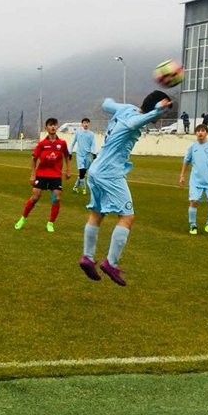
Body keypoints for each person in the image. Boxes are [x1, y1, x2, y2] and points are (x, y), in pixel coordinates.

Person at [79, 91, 172, 286]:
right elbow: (140, 120)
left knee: (97, 214)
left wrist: (112, 101)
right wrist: (156, 112)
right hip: (110, 173)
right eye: (162, 114)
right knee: (127, 217)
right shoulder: (134, 119)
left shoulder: (126, 109)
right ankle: (110, 263)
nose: (162, 117)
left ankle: (87, 258)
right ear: (154, 108)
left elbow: (106, 103)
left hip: (95, 170)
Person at [14, 117, 71, 233]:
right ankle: (23, 219)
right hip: (42, 174)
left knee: (57, 198)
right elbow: (34, 158)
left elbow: (67, 156)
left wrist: (68, 170)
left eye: (54, 125)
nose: (53, 127)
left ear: (57, 127)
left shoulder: (62, 143)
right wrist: (33, 174)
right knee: (35, 197)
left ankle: (50, 223)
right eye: (50, 125)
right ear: (46, 128)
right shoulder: (42, 144)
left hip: (55, 175)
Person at [179, 123, 208, 234]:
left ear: (206, 133)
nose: (200, 133)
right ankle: (193, 225)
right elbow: (186, 161)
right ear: (196, 133)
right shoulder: (192, 147)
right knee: (194, 201)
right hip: (196, 181)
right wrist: (182, 175)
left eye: (203, 130)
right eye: (198, 131)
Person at [68, 117, 96, 194]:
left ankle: (75, 187)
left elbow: (93, 144)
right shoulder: (78, 133)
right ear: (82, 124)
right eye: (84, 123)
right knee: (82, 171)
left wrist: (94, 153)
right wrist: (70, 153)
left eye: (87, 123)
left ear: (89, 124)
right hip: (79, 155)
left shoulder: (91, 134)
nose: (86, 124)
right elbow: (73, 143)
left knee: (83, 173)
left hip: (87, 156)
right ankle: (84, 189)